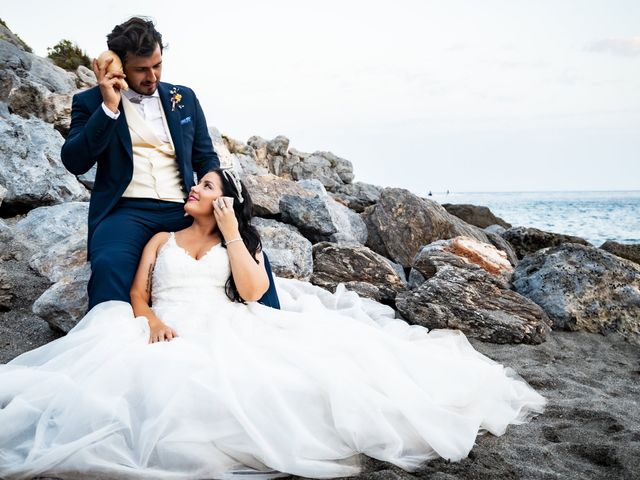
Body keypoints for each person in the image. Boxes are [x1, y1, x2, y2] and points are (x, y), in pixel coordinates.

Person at [0, 167, 547, 479]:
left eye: (207, 186)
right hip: (160, 325)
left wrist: (232, 230)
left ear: (226, 202)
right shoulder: (160, 239)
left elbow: (256, 294)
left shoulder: (241, 242)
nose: (194, 188)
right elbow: (139, 294)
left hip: (224, 322)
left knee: (286, 388)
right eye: (196, 183)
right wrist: (148, 320)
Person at [60, 16, 280, 311]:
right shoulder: (89, 102)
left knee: (249, 250)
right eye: (141, 69)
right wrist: (109, 106)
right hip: (126, 210)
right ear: (119, 64)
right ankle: (113, 343)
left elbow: (205, 158)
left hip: (183, 207)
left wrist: (221, 206)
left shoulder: (184, 98)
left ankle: (269, 329)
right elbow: (74, 161)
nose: (152, 76)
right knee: (110, 264)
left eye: (157, 65)